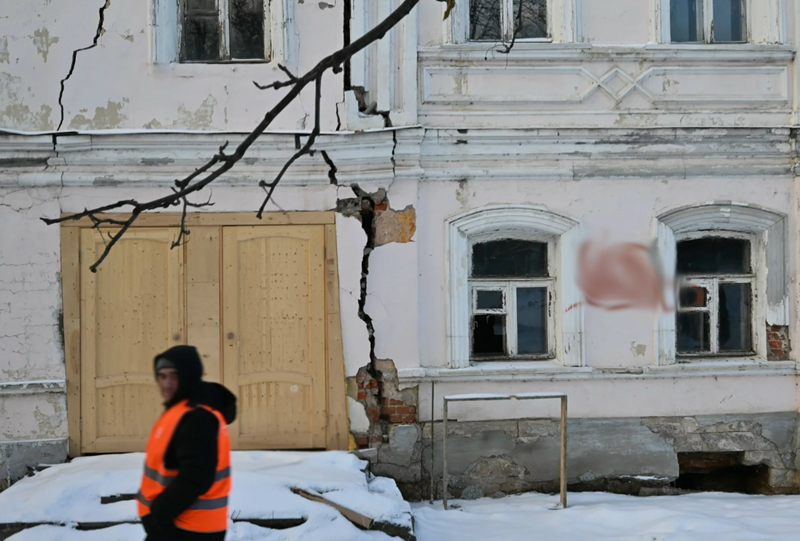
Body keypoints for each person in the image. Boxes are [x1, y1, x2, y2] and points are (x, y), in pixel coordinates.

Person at [137, 345, 237, 541]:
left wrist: (160, 513)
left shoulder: (197, 417)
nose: (166, 383)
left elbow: (196, 476)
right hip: (180, 525)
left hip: (187, 528)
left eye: (174, 376)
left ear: (189, 376)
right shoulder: (184, 410)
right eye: (162, 376)